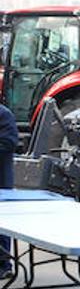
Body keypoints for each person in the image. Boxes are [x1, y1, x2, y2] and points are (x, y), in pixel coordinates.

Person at [0, 101, 16, 275]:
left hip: (1, 182)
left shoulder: (4, 114)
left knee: (1, 223)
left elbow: (8, 143)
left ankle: (4, 265)